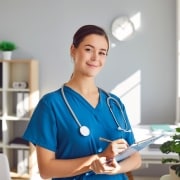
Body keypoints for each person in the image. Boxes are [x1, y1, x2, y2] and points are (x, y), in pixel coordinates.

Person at [23, 24, 142, 180]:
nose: (95, 58)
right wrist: (98, 159)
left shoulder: (114, 103)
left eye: (102, 53)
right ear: (73, 50)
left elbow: (136, 158)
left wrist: (117, 168)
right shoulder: (51, 104)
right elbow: (46, 170)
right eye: (88, 49)